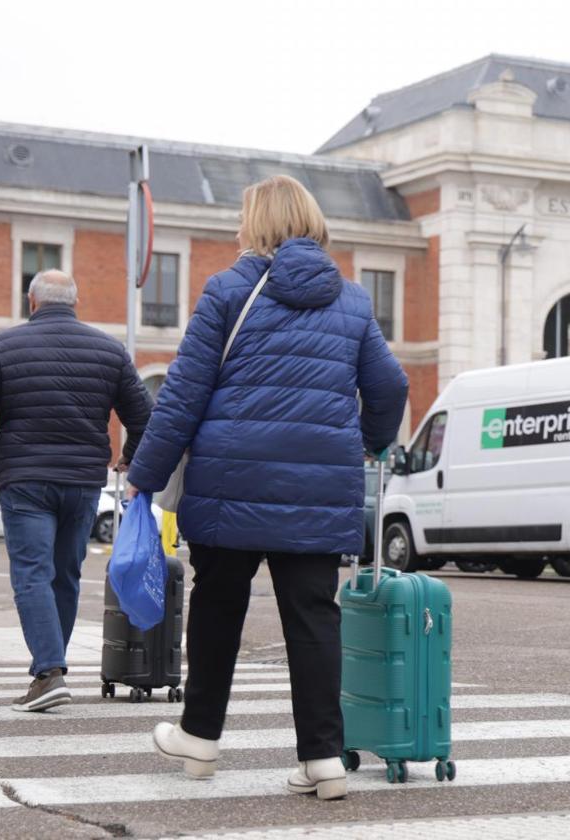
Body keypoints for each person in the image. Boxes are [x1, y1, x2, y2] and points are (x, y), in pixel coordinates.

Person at [125, 175, 408, 801]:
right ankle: (324, 758)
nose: (236, 230)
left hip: (230, 481)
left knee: (219, 606)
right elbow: (390, 386)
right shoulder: (354, 302)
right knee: (313, 617)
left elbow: (182, 395)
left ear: (260, 226)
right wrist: (370, 440)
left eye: (243, 219)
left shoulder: (227, 291)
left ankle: (199, 738)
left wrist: (143, 477)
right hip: (320, 483)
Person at [0, 270, 151, 713]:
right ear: (75, 302)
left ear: (32, 302)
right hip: (82, 482)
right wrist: (129, 457)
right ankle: (51, 671)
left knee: (32, 573)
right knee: (65, 575)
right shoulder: (109, 349)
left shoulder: (2, 346)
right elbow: (143, 415)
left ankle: (49, 673)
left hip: (25, 481)